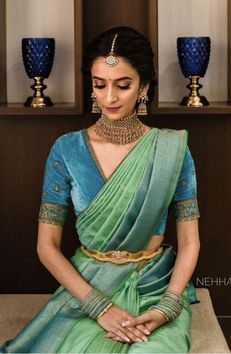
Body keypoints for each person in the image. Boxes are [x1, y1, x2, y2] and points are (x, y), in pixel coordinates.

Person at [0, 26, 200, 353]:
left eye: (123, 85)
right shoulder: (67, 150)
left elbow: (190, 241)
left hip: (153, 286)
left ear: (144, 87)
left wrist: (169, 306)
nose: (109, 97)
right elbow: (46, 246)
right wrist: (99, 308)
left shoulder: (171, 150)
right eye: (99, 84)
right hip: (88, 288)